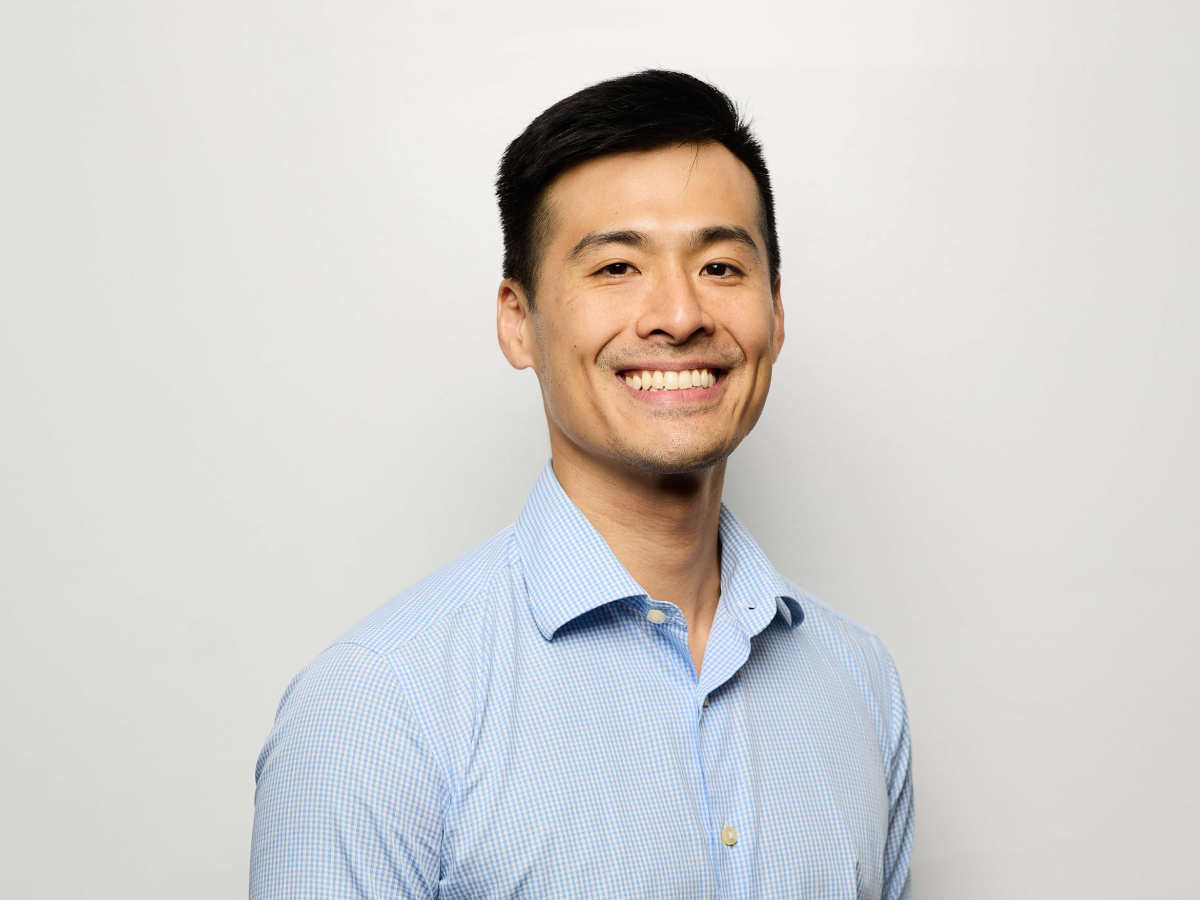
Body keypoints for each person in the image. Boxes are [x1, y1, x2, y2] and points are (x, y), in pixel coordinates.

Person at [251, 69, 913, 899]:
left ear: (775, 313)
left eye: (719, 266)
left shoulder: (858, 682)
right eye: (614, 269)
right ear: (518, 321)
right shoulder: (379, 707)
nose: (678, 315)